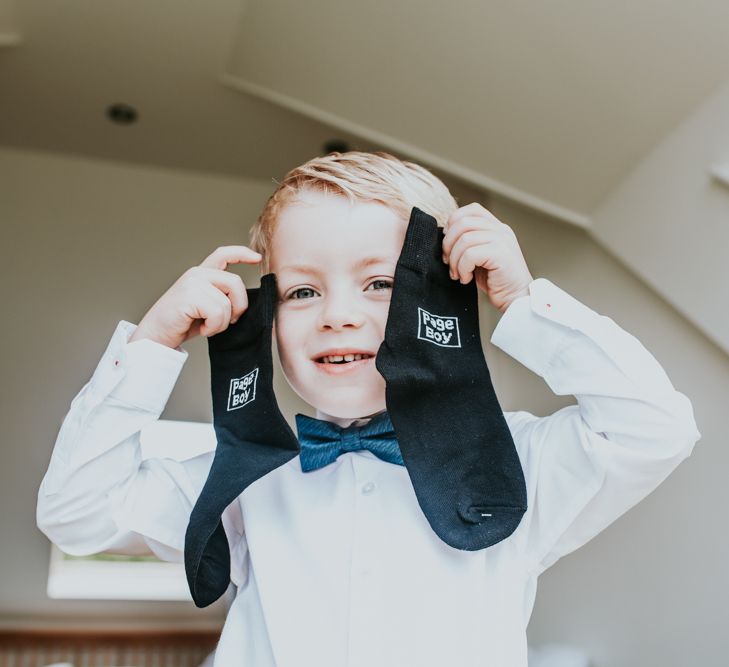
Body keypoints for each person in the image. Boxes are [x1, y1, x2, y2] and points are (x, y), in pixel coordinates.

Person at [36, 151, 701, 666]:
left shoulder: (517, 465)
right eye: (301, 291)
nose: (338, 315)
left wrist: (528, 304)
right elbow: (77, 513)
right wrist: (151, 345)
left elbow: (654, 427)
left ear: (439, 296)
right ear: (266, 315)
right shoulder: (242, 478)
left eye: (379, 282)